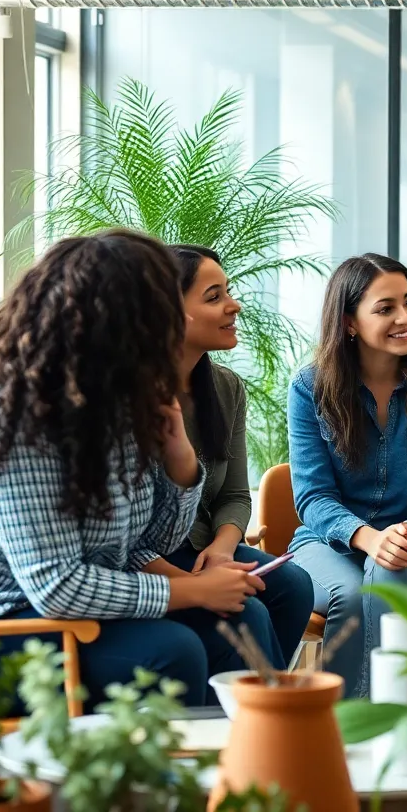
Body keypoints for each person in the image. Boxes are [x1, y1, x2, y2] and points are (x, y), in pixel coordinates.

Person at [0, 230, 264, 708]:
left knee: (241, 622)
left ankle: (240, 771)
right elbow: (57, 587)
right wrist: (192, 591)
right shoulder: (22, 422)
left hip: (71, 609)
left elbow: (148, 542)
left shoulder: (115, 401)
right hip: (1, 630)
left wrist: (181, 463)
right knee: (174, 651)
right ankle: (170, 780)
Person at [288, 253, 407, 698]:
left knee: (388, 570)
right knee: (357, 589)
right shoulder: (309, 387)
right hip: (326, 547)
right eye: (385, 308)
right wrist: (368, 537)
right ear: (349, 322)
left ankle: (356, 726)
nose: (405, 317)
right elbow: (312, 497)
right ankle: (384, 720)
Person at [158, 244, 314, 671]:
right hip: (155, 560)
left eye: (228, 291)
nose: (234, 305)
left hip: (209, 548)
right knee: (249, 613)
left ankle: (257, 699)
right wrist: (196, 582)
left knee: (294, 586)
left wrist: (225, 548)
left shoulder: (226, 388)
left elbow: (234, 494)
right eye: (214, 296)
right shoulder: (134, 396)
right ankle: (249, 715)